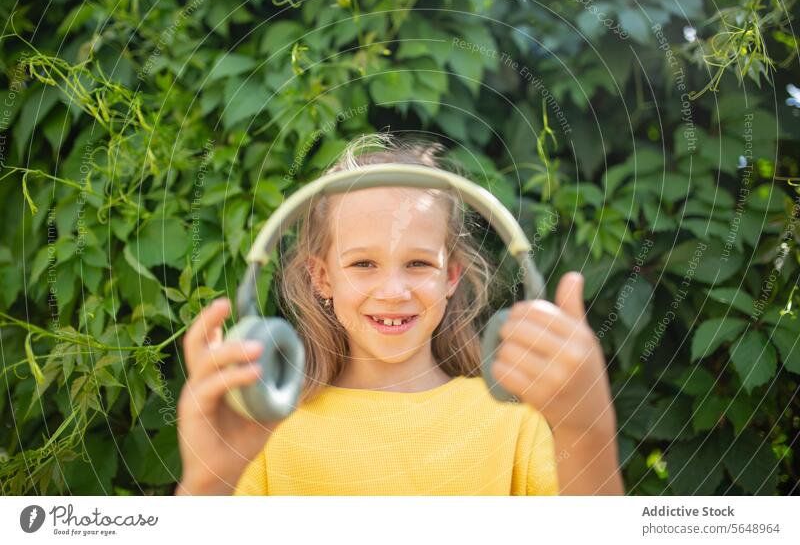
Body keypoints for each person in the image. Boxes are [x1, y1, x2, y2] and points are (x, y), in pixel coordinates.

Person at [174, 133, 624, 496]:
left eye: (418, 263)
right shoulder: (268, 434)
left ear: (451, 278)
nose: (393, 291)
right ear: (322, 278)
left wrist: (586, 430)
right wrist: (206, 486)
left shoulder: (512, 423)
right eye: (363, 264)